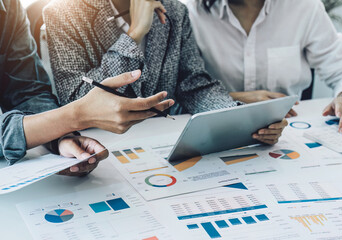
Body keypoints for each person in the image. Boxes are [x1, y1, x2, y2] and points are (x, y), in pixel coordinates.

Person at [44, 0, 287, 145]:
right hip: (99, 145)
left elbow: (194, 85)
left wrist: (242, 121)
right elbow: (75, 99)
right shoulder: (64, 12)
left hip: (162, 142)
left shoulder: (174, 10)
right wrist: (135, 33)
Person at [0, 0, 173, 176]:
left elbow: (28, 92)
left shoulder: (10, 7)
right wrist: (73, 117)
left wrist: (60, 137)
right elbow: (73, 96)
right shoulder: (65, 11)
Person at [185, 0, 342, 133]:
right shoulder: (189, 11)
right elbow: (182, 92)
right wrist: (236, 99)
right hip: (216, 129)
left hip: (291, 131)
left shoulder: (304, 7)